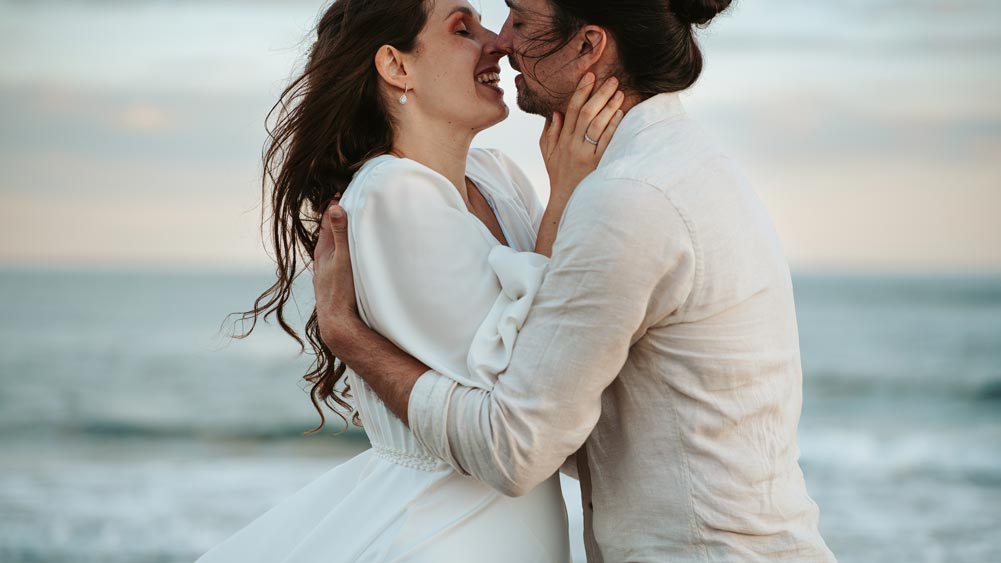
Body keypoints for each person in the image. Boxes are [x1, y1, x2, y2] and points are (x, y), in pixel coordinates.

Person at [313, 0, 839, 562]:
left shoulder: (628, 196)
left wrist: (345, 333)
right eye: (473, 26)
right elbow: (549, 409)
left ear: (588, 46)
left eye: (520, 18)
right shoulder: (671, 165)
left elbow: (514, 444)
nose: (503, 40)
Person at [196, 0, 623, 561]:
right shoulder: (389, 195)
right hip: (445, 534)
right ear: (398, 67)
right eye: (463, 29)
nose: (498, 42)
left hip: (508, 526)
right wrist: (567, 194)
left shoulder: (499, 178)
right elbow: (521, 382)